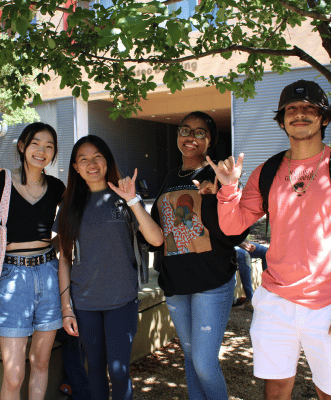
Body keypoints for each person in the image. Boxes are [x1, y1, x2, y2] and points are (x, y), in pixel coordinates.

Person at [208, 80, 331, 400]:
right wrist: (229, 190)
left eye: (308, 108)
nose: (299, 114)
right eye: (291, 109)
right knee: (275, 391)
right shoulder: (268, 171)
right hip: (275, 301)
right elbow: (233, 228)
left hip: (329, 303)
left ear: (324, 118)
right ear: (283, 119)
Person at [55, 135, 164, 400]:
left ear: (107, 161)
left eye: (97, 157)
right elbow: (64, 260)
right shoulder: (69, 206)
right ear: (75, 168)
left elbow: (157, 239)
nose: (91, 164)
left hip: (121, 299)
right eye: (83, 159)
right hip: (85, 303)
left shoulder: (123, 199)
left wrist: (133, 199)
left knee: (118, 370)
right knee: (95, 369)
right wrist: (66, 308)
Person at [149, 111, 249, 400]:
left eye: (200, 132)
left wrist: (223, 196)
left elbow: (236, 234)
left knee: (205, 364)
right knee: (191, 359)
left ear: (210, 141)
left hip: (211, 281)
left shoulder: (218, 175)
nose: (191, 137)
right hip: (176, 283)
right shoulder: (170, 176)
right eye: (185, 130)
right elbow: (161, 230)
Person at [0, 122, 65, 400]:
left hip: (48, 275)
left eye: (49, 146)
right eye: (35, 143)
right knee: (14, 374)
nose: (42, 151)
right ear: (22, 146)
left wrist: (53, 250)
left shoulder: (58, 186)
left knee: (41, 363)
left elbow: (72, 225)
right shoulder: (1, 180)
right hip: (12, 277)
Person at [234, 239, 268, 311]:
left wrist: (247, 243)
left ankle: (268, 295)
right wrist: (240, 243)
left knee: (266, 252)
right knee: (244, 254)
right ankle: (249, 300)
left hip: (237, 241)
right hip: (225, 244)